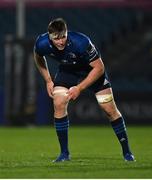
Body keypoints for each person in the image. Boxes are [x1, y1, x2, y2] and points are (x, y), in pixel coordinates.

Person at [33, 18, 135, 162]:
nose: (61, 41)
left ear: (66, 33)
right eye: (56, 38)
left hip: (91, 72)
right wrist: (48, 80)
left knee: (109, 109)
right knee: (59, 102)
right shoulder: (42, 43)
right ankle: (64, 154)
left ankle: (127, 152)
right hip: (68, 71)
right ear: (50, 36)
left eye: (63, 36)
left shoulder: (81, 42)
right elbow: (38, 56)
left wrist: (79, 88)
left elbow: (99, 68)